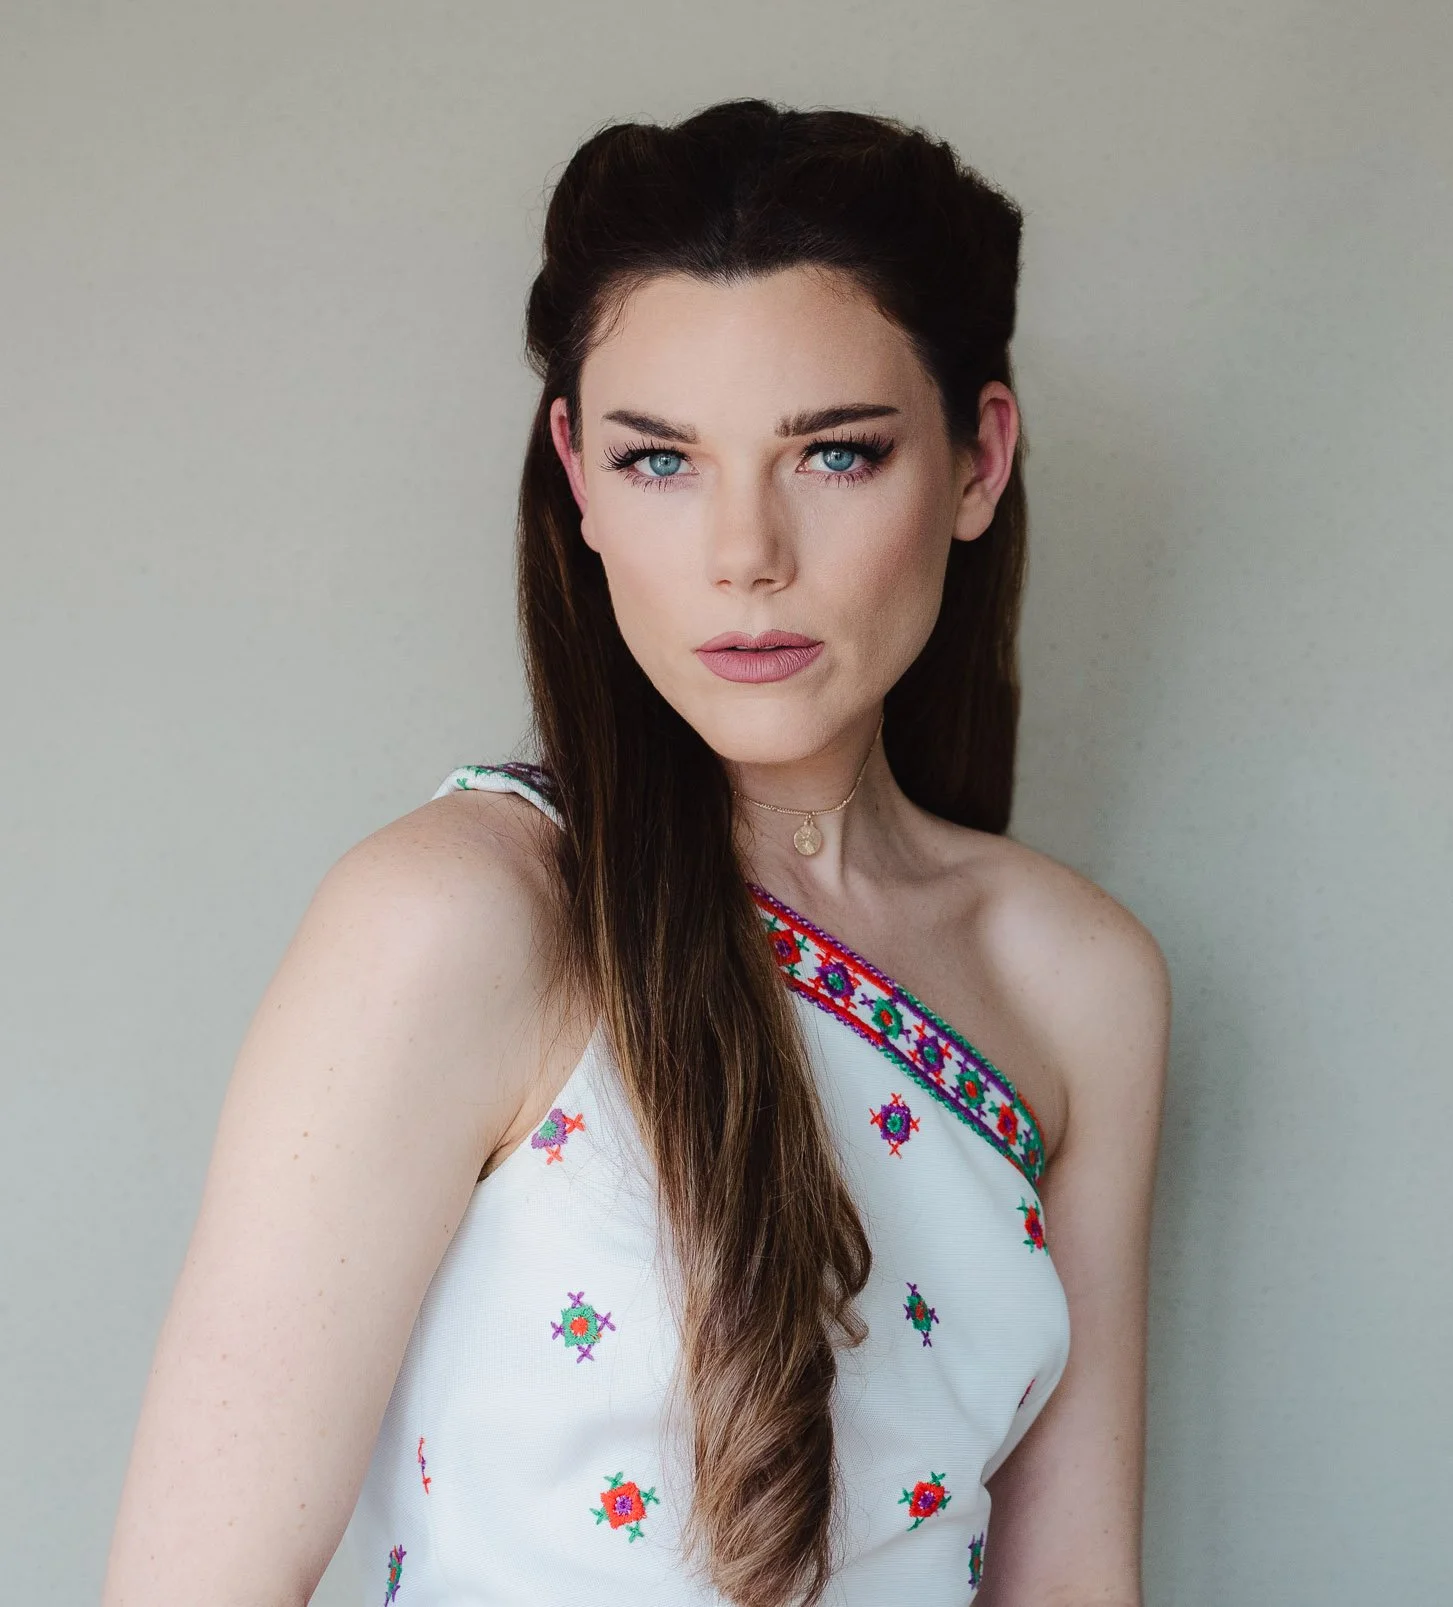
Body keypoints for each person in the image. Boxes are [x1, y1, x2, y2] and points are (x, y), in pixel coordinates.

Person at [100, 100, 1167, 1607]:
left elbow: (1071, 1587)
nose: (745, 553)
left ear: (979, 459)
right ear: (578, 477)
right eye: (661, 460)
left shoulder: (1079, 982)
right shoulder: (457, 916)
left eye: (838, 454)